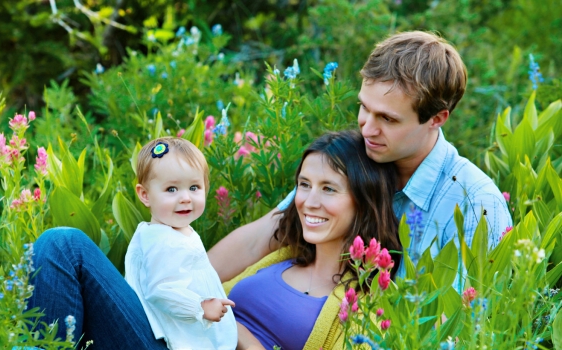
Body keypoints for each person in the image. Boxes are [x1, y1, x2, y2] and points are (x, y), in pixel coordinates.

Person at [26, 130, 399, 350]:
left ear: (362, 201)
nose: (308, 201)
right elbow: (182, 282)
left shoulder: (364, 295)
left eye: (329, 189)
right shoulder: (278, 256)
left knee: (67, 245)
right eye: (303, 185)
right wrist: (251, 349)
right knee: (60, 248)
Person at [208, 31, 513, 296]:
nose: (367, 128)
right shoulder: (352, 157)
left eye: (388, 119)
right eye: (364, 108)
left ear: (437, 119)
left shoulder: (477, 204)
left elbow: (470, 326)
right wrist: (182, 288)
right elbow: (260, 239)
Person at [124, 137, 276, 350]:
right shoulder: (164, 243)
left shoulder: (166, 231)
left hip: (192, 341)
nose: (185, 198)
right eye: (171, 189)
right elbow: (160, 290)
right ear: (144, 195)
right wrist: (199, 305)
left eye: (194, 187)